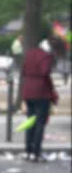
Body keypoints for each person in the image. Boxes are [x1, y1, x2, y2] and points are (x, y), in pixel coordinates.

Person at [22, 31, 58, 162]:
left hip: (28, 90)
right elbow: (45, 73)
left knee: (30, 121)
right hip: (41, 92)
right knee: (40, 123)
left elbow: (24, 70)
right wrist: (52, 91)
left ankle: (27, 150)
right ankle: (36, 152)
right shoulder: (46, 56)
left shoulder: (30, 53)